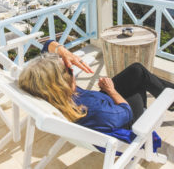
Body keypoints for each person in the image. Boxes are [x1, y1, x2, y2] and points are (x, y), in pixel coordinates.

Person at [19, 40, 174, 148]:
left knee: (137, 70)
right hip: (126, 121)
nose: (70, 66)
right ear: (62, 82)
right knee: (140, 82)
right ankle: (171, 99)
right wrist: (111, 90)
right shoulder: (96, 111)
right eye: (69, 69)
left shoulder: (47, 89)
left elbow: (47, 45)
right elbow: (125, 112)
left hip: (102, 102)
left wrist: (63, 52)